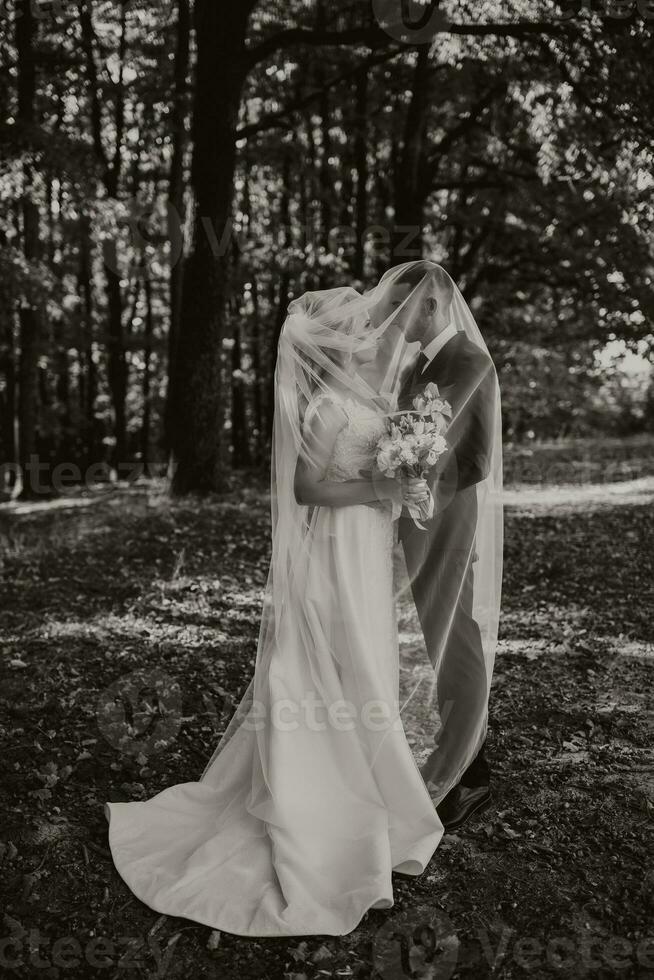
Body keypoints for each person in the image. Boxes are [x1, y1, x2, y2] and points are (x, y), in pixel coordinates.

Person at [104, 284, 443, 937]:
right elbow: (306, 486)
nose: (369, 329)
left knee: (368, 666)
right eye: (355, 324)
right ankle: (321, 807)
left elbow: (381, 468)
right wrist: (379, 482)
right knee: (329, 673)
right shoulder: (325, 408)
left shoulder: (370, 398)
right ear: (335, 340)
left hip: (367, 550)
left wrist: (406, 482)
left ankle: (373, 796)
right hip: (333, 555)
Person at [374, 260, 503, 830]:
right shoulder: (416, 366)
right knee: (438, 635)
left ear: (430, 305)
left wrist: (422, 486)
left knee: (457, 639)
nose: (395, 319)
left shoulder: (471, 361)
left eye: (403, 308)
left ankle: (460, 780)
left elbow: (472, 452)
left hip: (448, 515)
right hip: (418, 515)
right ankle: (472, 760)